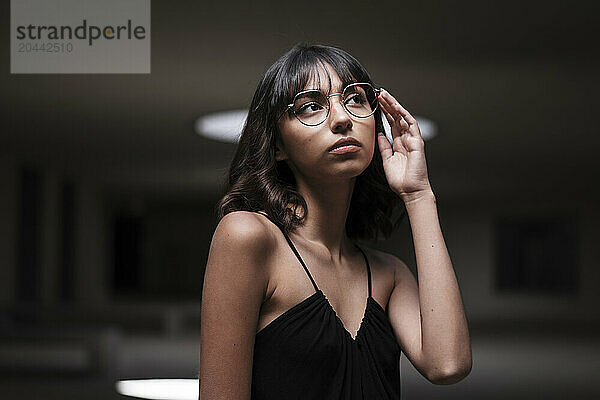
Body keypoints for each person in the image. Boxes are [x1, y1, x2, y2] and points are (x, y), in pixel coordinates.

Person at [199, 43, 472, 400]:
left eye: (355, 99)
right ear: (278, 145)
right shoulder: (248, 236)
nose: (342, 119)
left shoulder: (389, 275)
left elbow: (448, 365)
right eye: (311, 105)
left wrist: (418, 195)